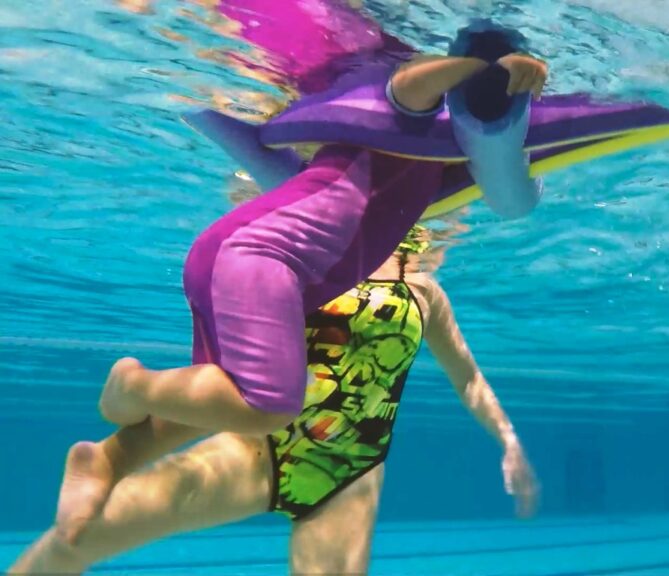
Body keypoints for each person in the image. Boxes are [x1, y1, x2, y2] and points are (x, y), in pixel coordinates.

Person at [52, 44, 548, 545]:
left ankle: (108, 460)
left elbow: (503, 168)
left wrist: (516, 101)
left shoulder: (427, 171)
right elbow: (413, 84)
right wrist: (490, 73)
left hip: (236, 256)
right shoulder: (385, 122)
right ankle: (132, 384)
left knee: (214, 398)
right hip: (258, 261)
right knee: (268, 406)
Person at [9, 224, 539, 575]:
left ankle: (131, 398)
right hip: (256, 446)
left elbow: (469, 379)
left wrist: (508, 439)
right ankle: (131, 389)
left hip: (350, 473)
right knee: (81, 536)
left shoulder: (423, 289)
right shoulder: (308, 253)